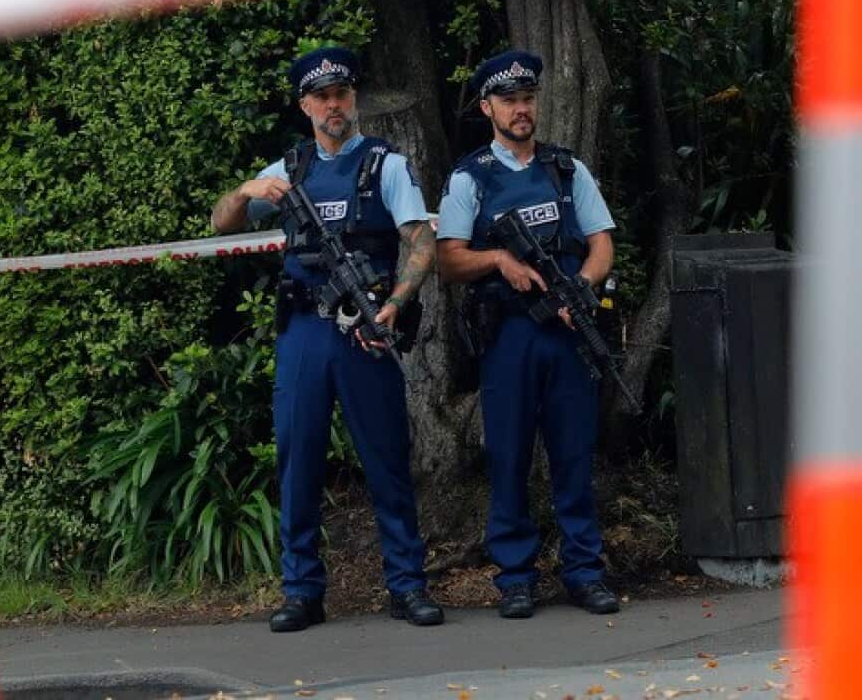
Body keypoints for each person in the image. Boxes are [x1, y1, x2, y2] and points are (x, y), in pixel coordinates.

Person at [210, 47, 443, 632]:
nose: (333, 105)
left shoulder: (386, 164)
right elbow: (221, 224)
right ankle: (302, 591)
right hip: (304, 334)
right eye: (321, 96)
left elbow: (419, 241)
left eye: (341, 93)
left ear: (353, 98)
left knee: (386, 456)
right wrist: (244, 192)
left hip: (365, 329)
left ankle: (407, 586)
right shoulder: (286, 171)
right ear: (304, 105)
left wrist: (393, 304)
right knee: (298, 459)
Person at [435, 49, 620, 619]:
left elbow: (602, 242)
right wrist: (498, 261)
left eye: (527, 99)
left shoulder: (566, 169)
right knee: (510, 455)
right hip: (510, 336)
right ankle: (515, 577)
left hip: (566, 331)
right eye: (509, 100)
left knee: (572, 453)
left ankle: (584, 571)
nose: (520, 109)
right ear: (487, 106)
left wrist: (583, 289)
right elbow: (449, 258)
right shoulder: (470, 176)